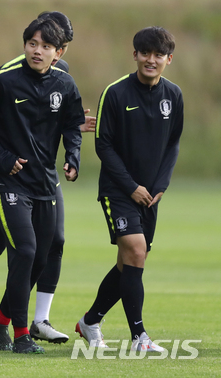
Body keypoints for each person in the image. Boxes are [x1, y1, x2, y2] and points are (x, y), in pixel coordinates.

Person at [0, 11, 95, 345]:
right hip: (9, 183)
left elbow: (71, 125)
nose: (37, 50)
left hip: (44, 183)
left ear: (59, 53)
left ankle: (1, 319)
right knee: (23, 250)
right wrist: (2, 159)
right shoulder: (5, 80)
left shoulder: (64, 84)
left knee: (43, 253)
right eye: (32, 43)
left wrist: (72, 156)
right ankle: (21, 333)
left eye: (46, 45)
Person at [76, 26, 183, 353]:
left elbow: (173, 143)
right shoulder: (116, 92)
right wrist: (132, 186)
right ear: (134, 54)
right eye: (145, 53)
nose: (151, 60)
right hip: (118, 190)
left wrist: (160, 185)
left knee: (129, 263)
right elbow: (103, 146)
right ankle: (140, 337)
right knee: (136, 251)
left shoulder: (174, 95)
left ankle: (90, 321)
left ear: (169, 59)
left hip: (151, 194)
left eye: (158, 55)